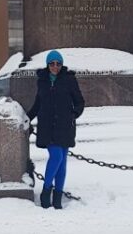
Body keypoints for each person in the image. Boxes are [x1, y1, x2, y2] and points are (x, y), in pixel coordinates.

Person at [27, 49, 85, 210]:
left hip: (65, 126)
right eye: (52, 63)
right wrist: (27, 118)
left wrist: (73, 114)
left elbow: (79, 101)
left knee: (62, 162)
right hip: (47, 126)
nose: (55, 66)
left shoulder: (69, 80)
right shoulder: (43, 80)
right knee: (56, 156)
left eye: (58, 63)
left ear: (61, 64)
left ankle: (57, 196)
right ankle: (46, 191)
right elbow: (38, 102)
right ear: (47, 64)